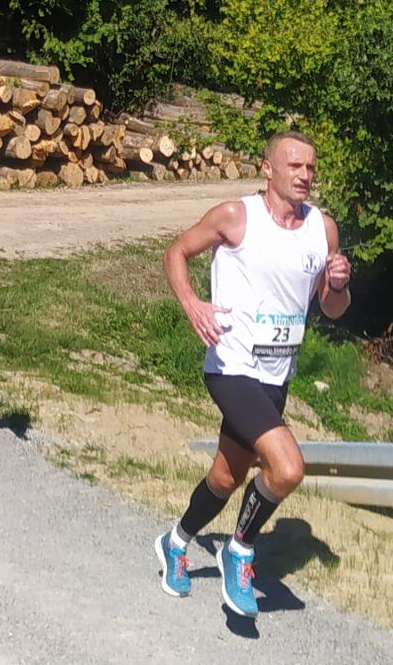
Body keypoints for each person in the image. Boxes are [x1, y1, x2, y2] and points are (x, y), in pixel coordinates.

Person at [151, 130, 350, 617]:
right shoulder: (236, 217)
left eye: (310, 168)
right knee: (286, 468)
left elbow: (332, 308)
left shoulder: (322, 228)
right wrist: (191, 303)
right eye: (294, 166)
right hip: (231, 366)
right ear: (268, 168)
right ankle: (238, 550)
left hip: (275, 374)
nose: (304, 175)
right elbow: (175, 252)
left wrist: (340, 285)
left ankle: (175, 543)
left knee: (226, 476)